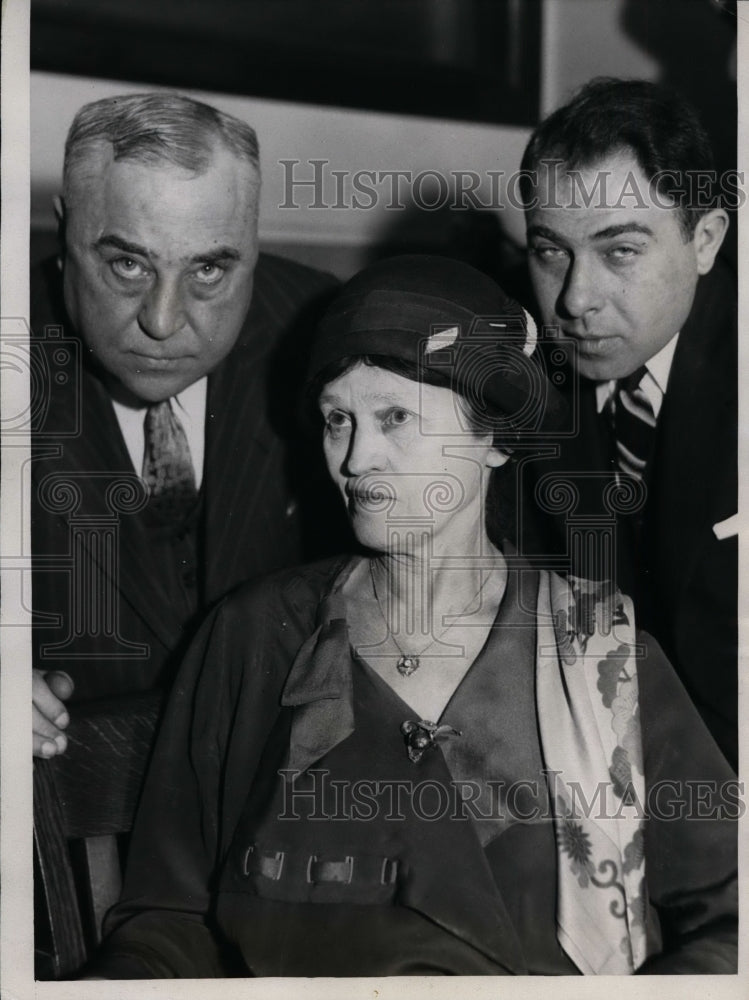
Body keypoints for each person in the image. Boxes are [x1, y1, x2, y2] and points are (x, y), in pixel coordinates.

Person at [91, 256, 736, 978]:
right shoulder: (252, 636)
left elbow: (732, 918)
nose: (356, 458)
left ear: (493, 439)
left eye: (395, 418)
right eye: (338, 419)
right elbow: (168, 918)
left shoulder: (599, 649)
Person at [31, 93, 338, 758]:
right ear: (64, 235)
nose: (163, 323)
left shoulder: (324, 335)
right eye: (127, 264)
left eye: (207, 269)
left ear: (251, 252)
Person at [517, 79, 737, 768]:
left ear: (703, 240)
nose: (575, 300)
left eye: (619, 252)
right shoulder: (519, 372)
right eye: (550, 251)